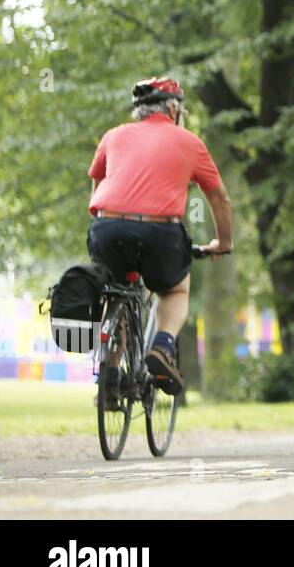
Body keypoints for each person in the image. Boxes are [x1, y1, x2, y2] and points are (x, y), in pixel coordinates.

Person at [87, 77, 235, 397]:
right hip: (160, 231)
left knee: (118, 287)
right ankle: (162, 346)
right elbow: (220, 199)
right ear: (172, 108)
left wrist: (107, 226)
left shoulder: (113, 136)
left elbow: (96, 191)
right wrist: (223, 243)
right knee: (175, 289)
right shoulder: (189, 142)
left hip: (107, 228)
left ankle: (110, 373)